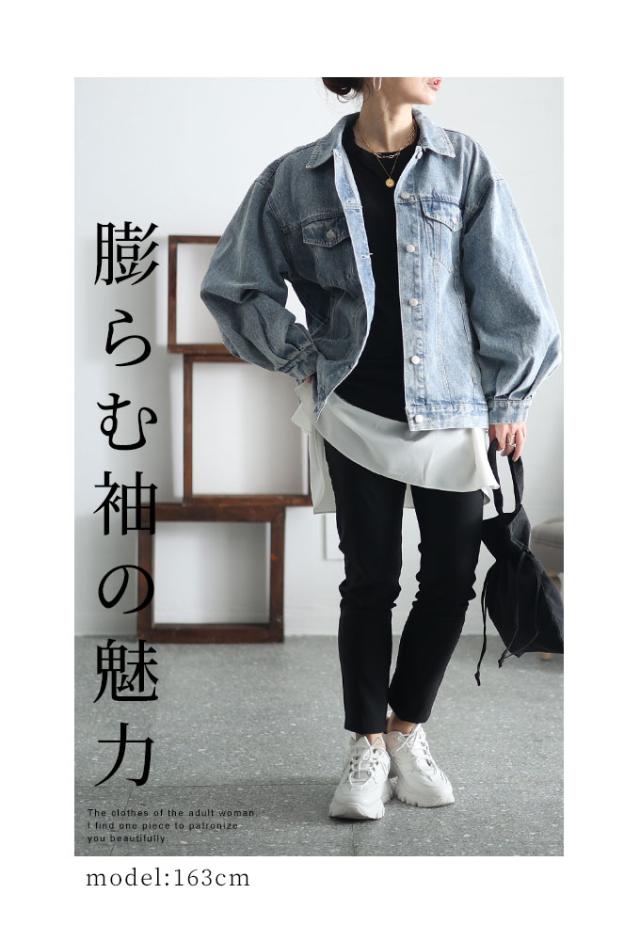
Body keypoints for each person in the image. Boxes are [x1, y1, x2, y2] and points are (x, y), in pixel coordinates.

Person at [200, 77, 562, 821]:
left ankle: (405, 729)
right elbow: (236, 284)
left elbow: (505, 280)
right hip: (355, 413)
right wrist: (304, 357)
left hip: (454, 407)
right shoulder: (296, 178)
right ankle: (365, 745)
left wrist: (510, 397)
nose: (437, 66)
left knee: (452, 579)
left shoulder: (462, 163)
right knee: (370, 581)